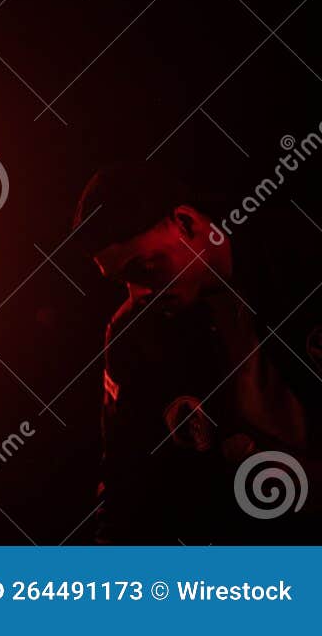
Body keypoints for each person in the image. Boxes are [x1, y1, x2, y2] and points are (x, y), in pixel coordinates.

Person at [70, 162, 320, 543]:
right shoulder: (133, 335)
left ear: (185, 222)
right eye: (122, 281)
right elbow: (124, 479)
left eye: (143, 268)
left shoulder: (303, 263)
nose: (138, 294)